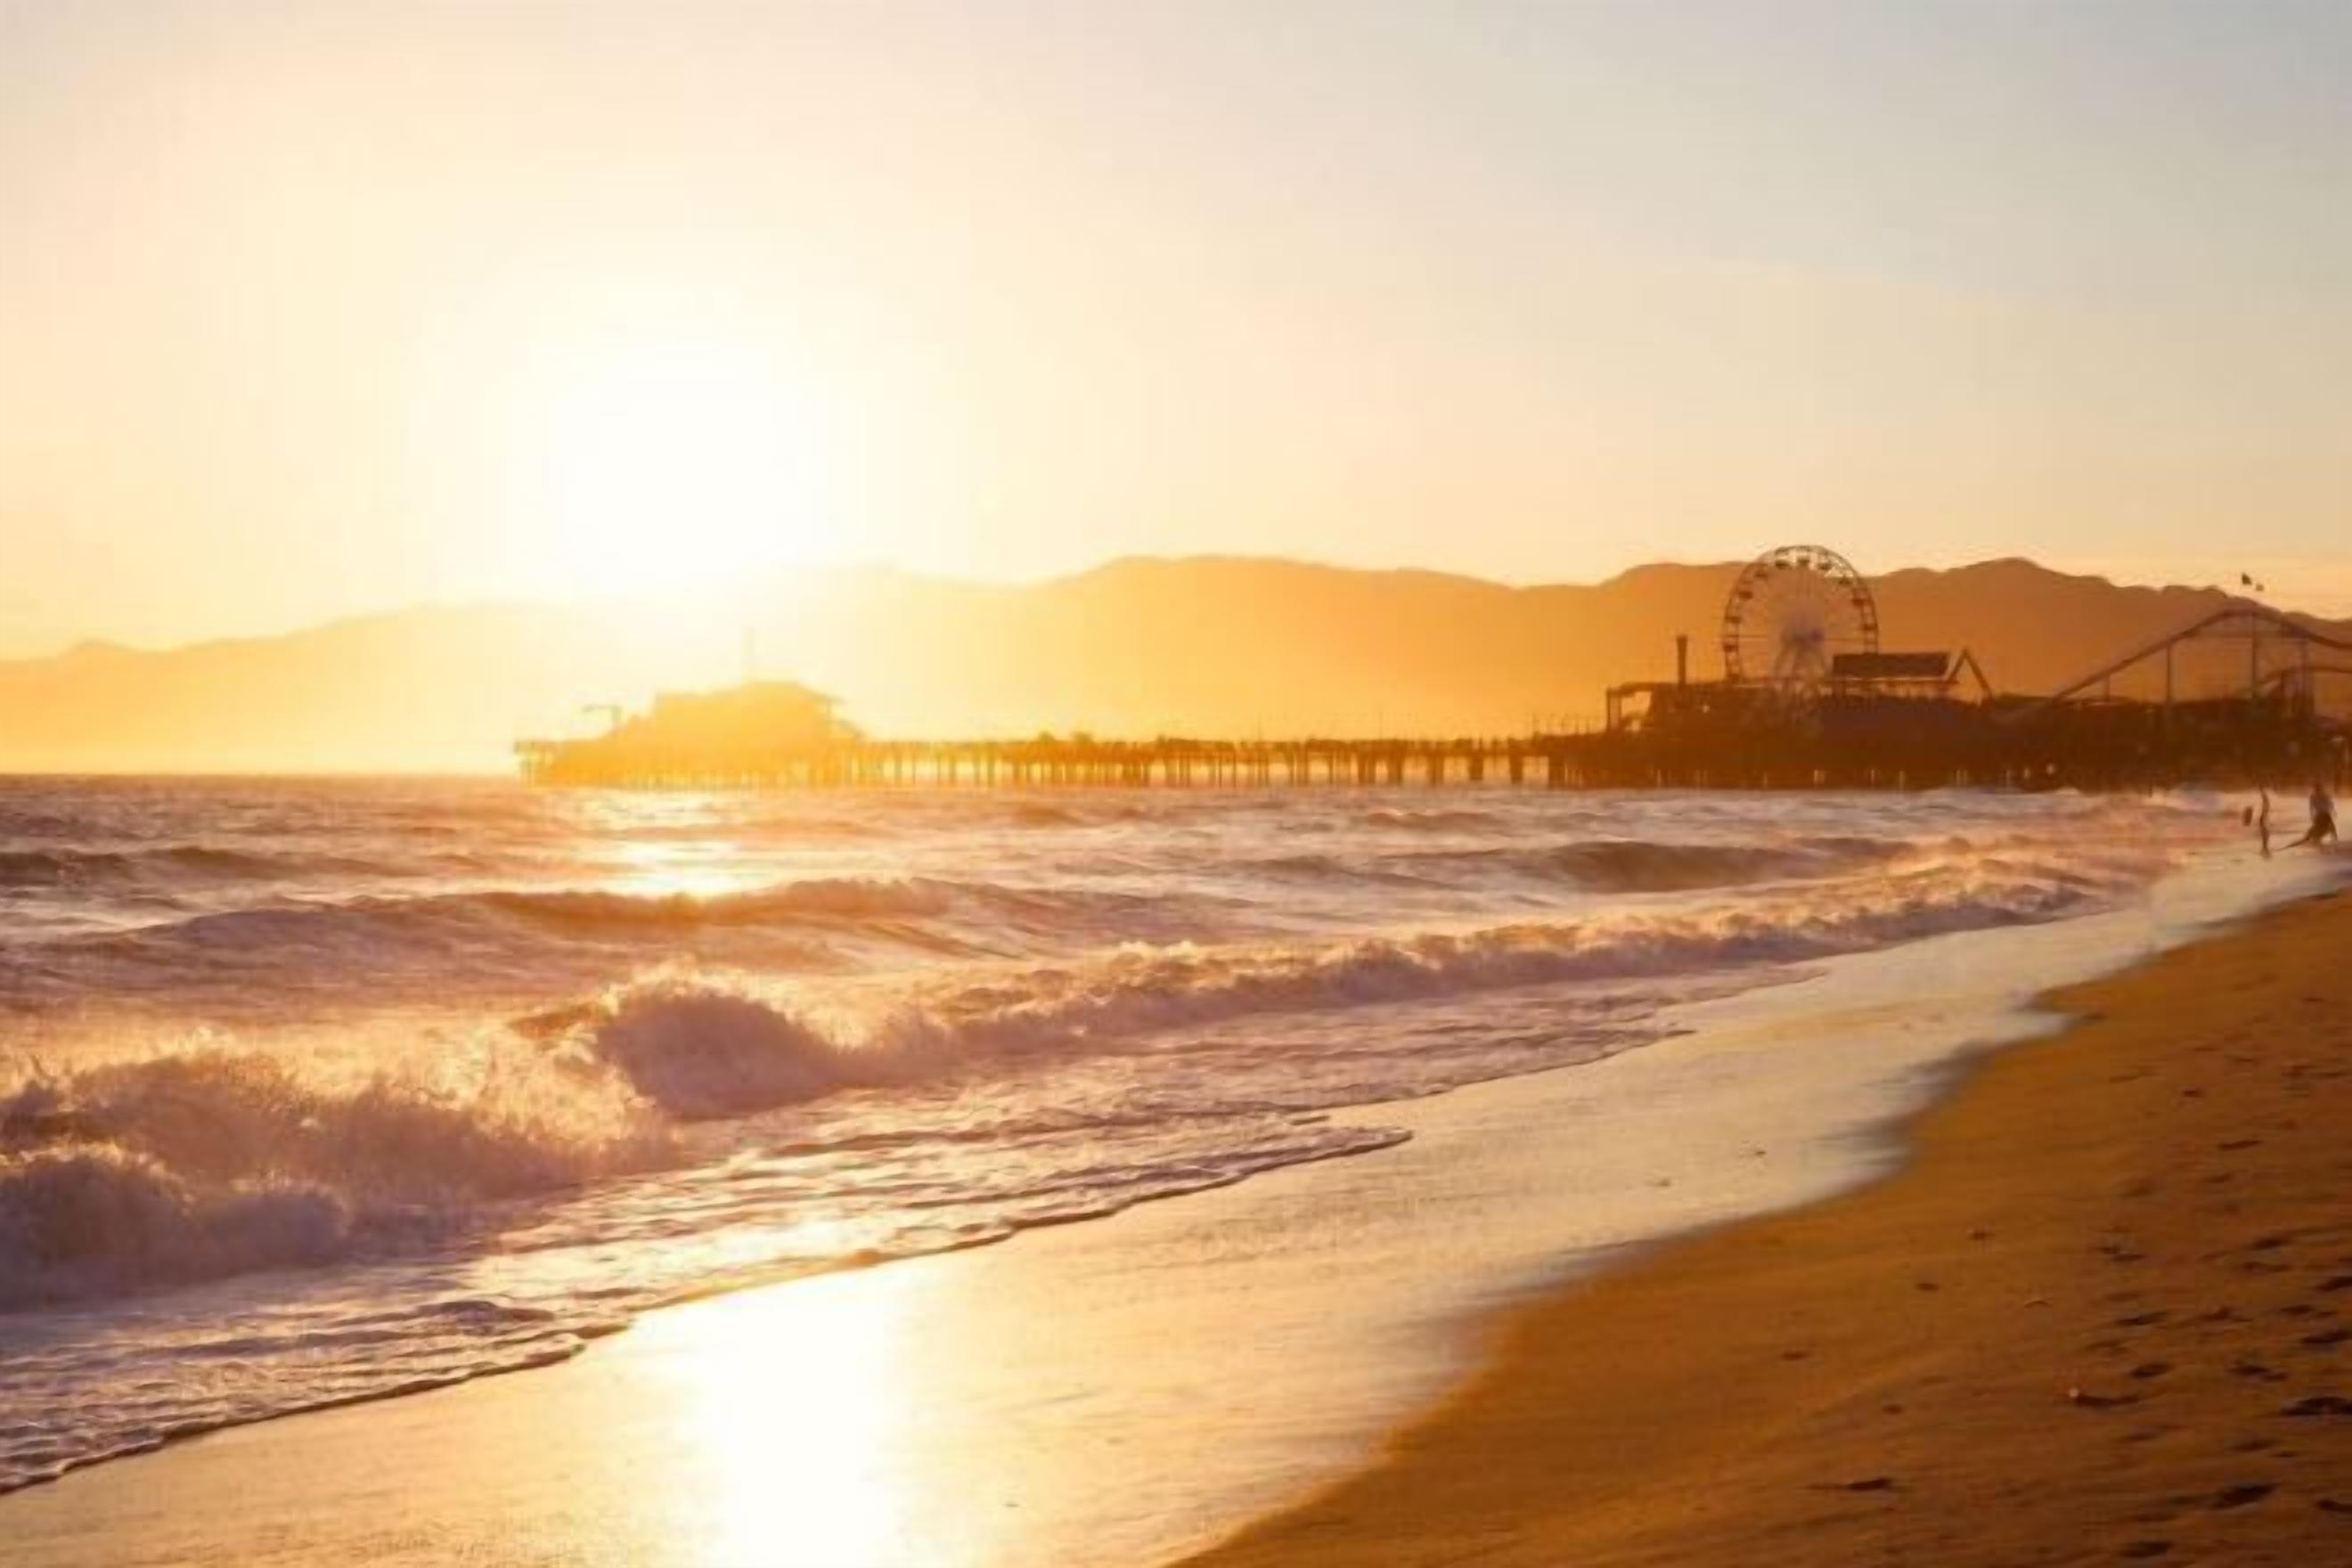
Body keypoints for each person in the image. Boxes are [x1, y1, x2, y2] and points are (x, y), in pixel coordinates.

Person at [2289, 780, 2337, 849]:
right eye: (2317, 788)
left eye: (2319, 788)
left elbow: (2330, 804)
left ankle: (2332, 840)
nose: (2318, 790)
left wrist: (2333, 811)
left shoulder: (2324, 795)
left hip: (2325, 815)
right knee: (2317, 829)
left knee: (2330, 828)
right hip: (2320, 815)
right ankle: (2310, 840)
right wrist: (2312, 815)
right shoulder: (2314, 796)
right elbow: (2312, 807)